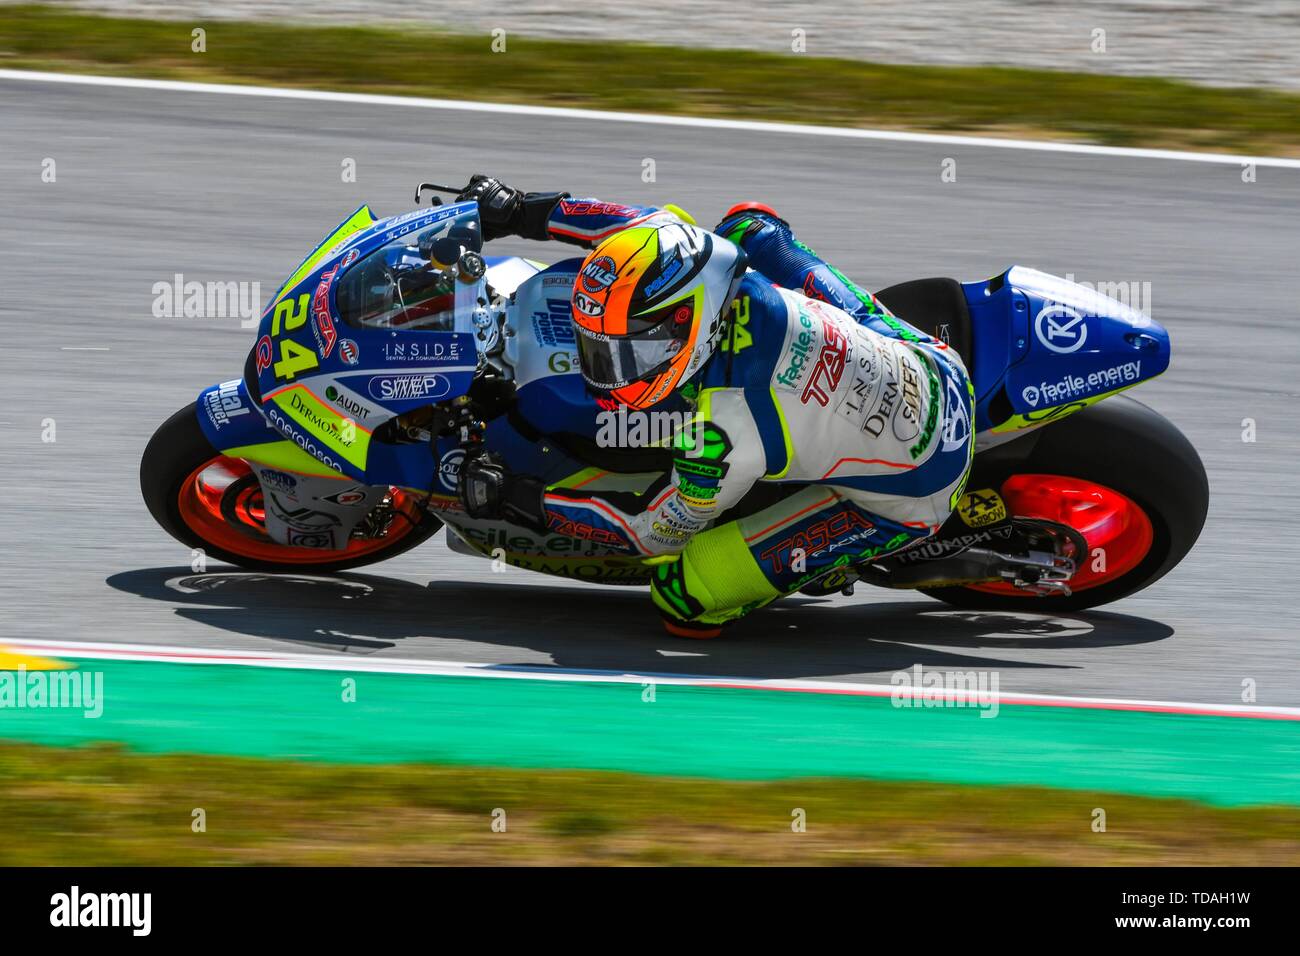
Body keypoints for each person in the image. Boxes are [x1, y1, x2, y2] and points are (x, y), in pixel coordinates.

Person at [455, 176, 974, 637]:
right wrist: (519, 208)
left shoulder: (720, 434)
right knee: (751, 228)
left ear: (690, 324)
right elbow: (628, 227)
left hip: (921, 484)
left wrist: (527, 498)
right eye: (598, 348)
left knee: (682, 597)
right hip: (935, 361)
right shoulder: (699, 255)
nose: (606, 372)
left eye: (626, 352)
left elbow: (651, 531)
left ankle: (823, 557)